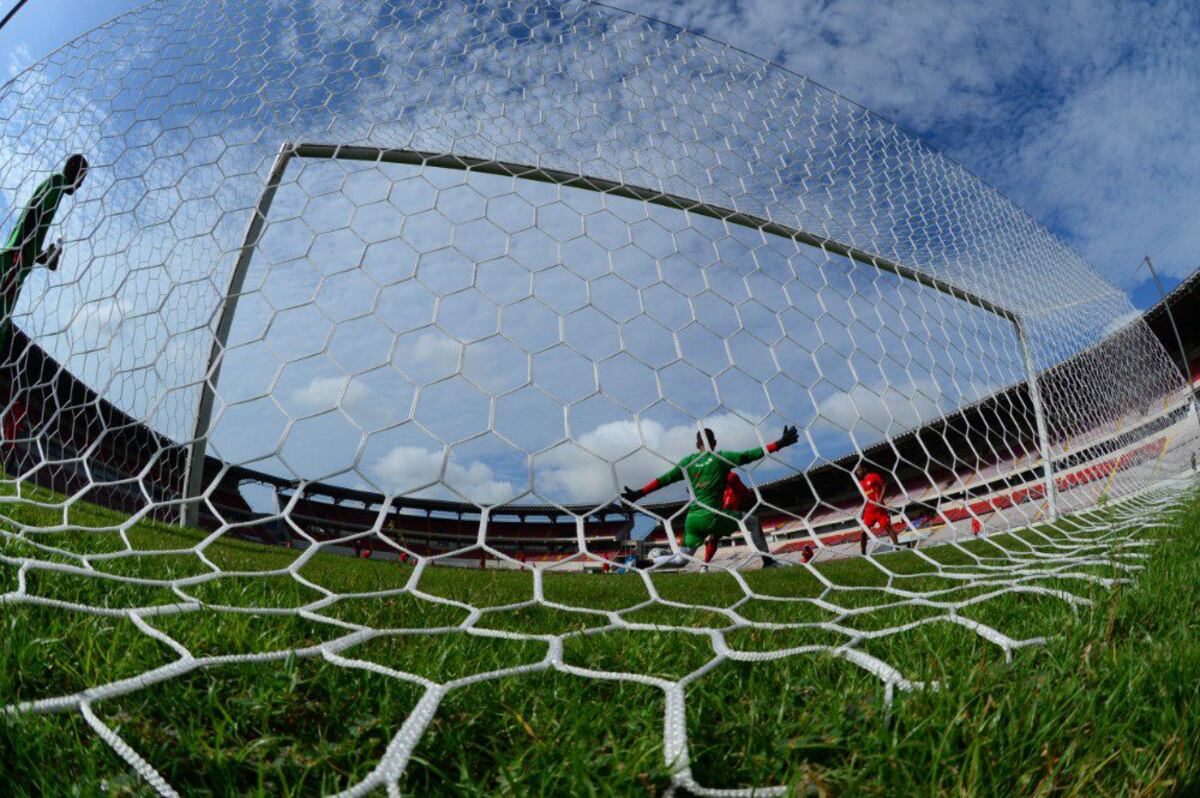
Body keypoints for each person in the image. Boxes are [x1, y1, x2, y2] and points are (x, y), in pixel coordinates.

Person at [0, 154, 88, 445]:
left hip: (16, 266)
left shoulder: (55, 188)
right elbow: (32, 216)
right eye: (82, 177)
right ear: (74, 170)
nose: (80, 184)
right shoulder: (57, 182)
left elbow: (32, 230)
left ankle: (11, 421)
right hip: (11, 266)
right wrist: (18, 257)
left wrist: (47, 256)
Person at [622, 425, 798, 569]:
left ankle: (646, 562)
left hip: (693, 520)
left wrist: (639, 493)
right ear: (714, 443)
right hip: (714, 516)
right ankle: (768, 562)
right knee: (753, 522)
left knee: (680, 560)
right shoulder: (720, 457)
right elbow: (749, 455)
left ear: (696, 444)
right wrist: (779, 444)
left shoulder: (687, 463)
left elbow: (664, 480)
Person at [855, 464, 899, 554]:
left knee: (888, 528)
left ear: (864, 469)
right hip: (869, 511)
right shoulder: (860, 483)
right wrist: (863, 510)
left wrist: (880, 500)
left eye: (859, 470)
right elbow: (866, 498)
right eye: (856, 471)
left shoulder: (873, 476)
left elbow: (884, 485)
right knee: (863, 532)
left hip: (879, 509)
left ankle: (898, 550)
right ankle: (863, 553)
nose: (857, 472)